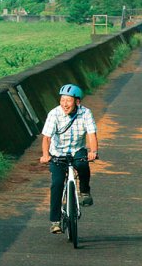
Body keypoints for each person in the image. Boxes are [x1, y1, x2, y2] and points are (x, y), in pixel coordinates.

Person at [39, 83, 98, 234]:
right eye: (62, 100)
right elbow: (46, 137)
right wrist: (46, 155)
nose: (65, 104)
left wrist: (93, 151)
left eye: (68, 100)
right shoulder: (54, 114)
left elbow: (91, 134)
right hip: (58, 153)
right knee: (57, 183)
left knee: (83, 164)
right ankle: (55, 221)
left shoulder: (86, 113)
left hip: (77, 150)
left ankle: (84, 192)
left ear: (77, 102)